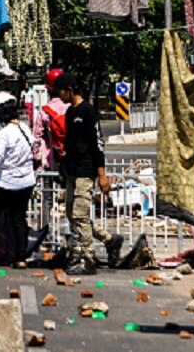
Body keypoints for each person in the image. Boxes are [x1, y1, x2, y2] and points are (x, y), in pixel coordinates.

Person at [53, 73, 123, 274]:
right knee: (71, 214)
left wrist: (102, 175)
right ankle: (109, 240)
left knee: (80, 214)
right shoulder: (69, 113)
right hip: (72, 171)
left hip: (86, 170)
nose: (59, 95)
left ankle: (88, 257)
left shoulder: (88, 112)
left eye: (61, 91)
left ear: (70, 90)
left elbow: (97, 145)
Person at [0, 91, 37, 269]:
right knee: (19, 218)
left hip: (6, 182)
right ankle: (20, 258)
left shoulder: (5, 133)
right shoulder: (25, 129)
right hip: (26, 182)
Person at [33, 68, 69, 227]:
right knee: (71, 199)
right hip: (69, 162)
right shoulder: (71, 109)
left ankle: (44, 233)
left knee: (47, 198)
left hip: (49, 163)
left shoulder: (44, 112)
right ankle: (71, 235)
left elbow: (36, 138)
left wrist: (36, 157)